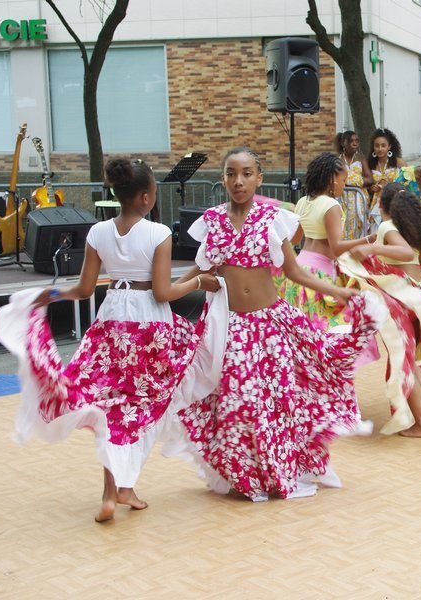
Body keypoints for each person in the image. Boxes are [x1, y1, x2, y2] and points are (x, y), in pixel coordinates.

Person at [0, 158, 223, 522]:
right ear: (147, 197)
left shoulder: (98, 232)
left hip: (112, 321)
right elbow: (164, 292)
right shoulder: (158, 233)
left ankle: (115, 490)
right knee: (144, 406)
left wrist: (50, 295)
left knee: (112, 408)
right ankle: (120, 487)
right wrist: (200, 282)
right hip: (148, 324)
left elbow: (85, 289)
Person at [171, 147, 383, 501]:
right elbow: (200, 270)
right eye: (231, 173)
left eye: (246, 173)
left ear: (258, 176)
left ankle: (287, 467)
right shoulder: (212, 221)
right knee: (238, 403)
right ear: (222, 178)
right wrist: (161, 292)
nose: (238, 181)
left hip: (271, 325)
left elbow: (295, 271)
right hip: (233, 329)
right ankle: (249, 471)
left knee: (279, 401)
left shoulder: (271, 219)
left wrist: (339, 292)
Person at [340, 186, 421, 438]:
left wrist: (372, 249)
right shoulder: (412, 235)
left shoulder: (388, 228)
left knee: (405, 362)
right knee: (412, 362)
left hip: (405, 302)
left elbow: (401, 253)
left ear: (382, 206)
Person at [280, 152, 377, 331]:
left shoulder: (302, 202)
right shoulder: (331, 206)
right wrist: (368, 239)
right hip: (318, 274)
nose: (344, 184)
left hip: (299, 270)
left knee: (303, 334)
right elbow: (337, 247)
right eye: (342, 180)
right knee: (328, 334)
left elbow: (296, 239)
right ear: (332, 179)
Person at [367, 128, 407, 232]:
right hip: (376, 205)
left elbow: (407, 183)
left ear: (389, 146)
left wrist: (390, 186)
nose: (380, 149)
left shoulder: (399, 163)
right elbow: (367, 186)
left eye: (383, 145)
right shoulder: (370, 164)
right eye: (377, 145)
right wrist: (372, 188)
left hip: (395, 204)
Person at [336, 130, 372, 240]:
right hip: (343, 198)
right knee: (344, 226)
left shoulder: (361, 158)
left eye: (357, 141)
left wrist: (349, 180)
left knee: (359, 226)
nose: (355, 143)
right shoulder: (337, 160)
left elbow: (370, 179)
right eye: (351, 141)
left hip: (359, 198)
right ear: (343, 143)